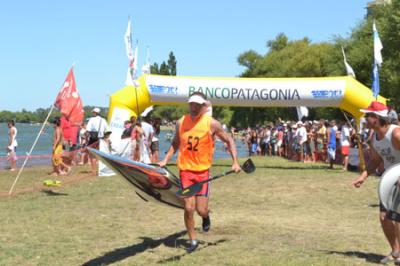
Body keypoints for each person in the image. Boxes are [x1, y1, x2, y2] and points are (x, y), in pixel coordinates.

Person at [159, 92, 241, 253]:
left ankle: (205, 216)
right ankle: (193, 240)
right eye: (191, 104)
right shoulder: (181, 122)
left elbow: (229, 140)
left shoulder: (212, 124)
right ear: (188, 104)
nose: (194, 107)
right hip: (186, 171)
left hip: (203, 173)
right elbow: (176, 143)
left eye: (197, 104)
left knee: (200, 209)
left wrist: (235, 162)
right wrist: (166, 159)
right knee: (189, 207)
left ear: (203, 106)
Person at [352, 101, 400, 264]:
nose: (365, 118)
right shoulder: (374, 138)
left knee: (397, 217)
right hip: (390, 180)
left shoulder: (396, 134)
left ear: (377, 118)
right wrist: (363, 176)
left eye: (368, 115)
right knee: (384, 217)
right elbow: (375, 160)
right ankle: (395, 251)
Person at [86, 107, 109, 175]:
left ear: (95, 113)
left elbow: (88, 130)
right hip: (101, 139)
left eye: (93, 112)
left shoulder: (92, 119)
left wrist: (86, 139)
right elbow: (107, 131)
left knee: (92, 155)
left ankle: (94, 171)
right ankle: (100, 170)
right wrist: (106, 139)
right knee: (99, 155)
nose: (92, 113)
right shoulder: (103, 120)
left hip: (93, 139)